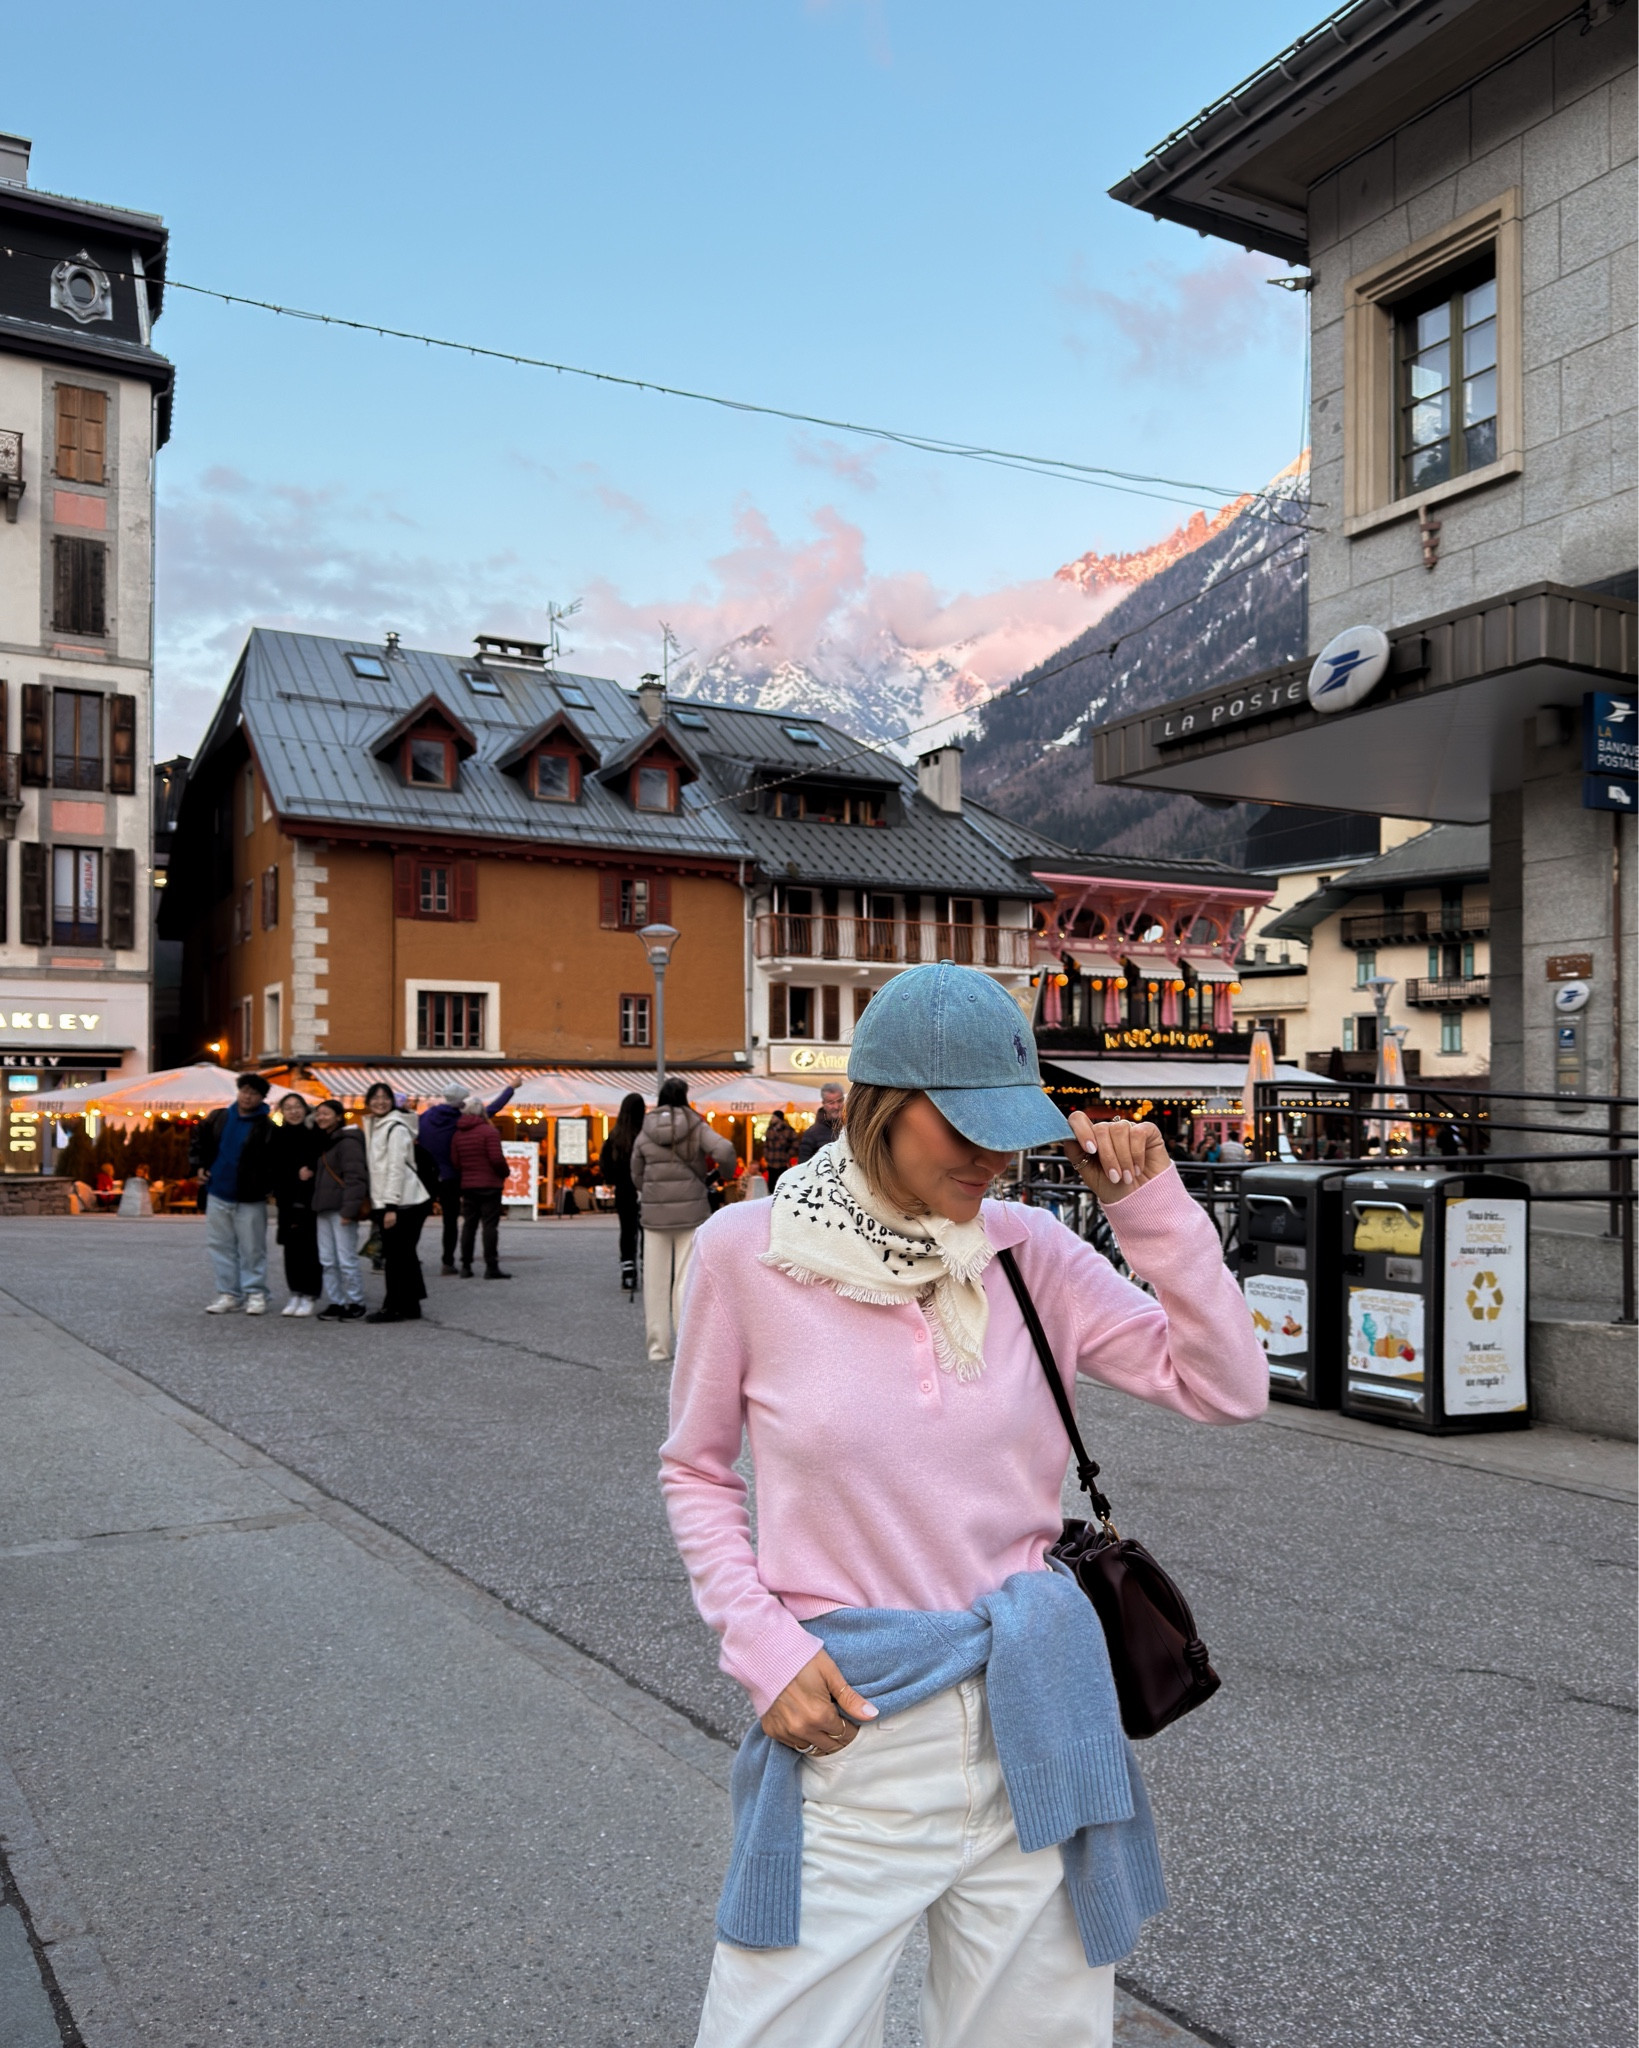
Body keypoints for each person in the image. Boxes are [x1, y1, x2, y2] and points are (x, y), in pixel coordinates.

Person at [659, 962, 1268, 2048]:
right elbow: (697, 1469)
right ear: (880, 1106)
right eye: (964, 1126)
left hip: (1041, 1705)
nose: (993, 1159)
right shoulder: (746, 1252)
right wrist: (762, 1647)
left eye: (1010, 1130)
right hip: (855, 1715)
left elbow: (1227, 1387)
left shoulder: (1031, 1251)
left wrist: (1152, 1212)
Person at [631, 1077, 735, 1363]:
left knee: (654, 1283)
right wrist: (725, 1174)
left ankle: (657, 1348)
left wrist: (648, 1190)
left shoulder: (647, 1126)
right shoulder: (695, 1124)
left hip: (654, 1215)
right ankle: (686, 1347)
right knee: (685, 1281)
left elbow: (636, 1170)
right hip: (691, 1212)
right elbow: (725, 1150)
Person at [191, 1073, 276, 1315]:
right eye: (244, 1091)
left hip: (250, 1196)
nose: (247, 1097)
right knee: (220, 1245)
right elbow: (198, 1141)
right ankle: (228, 1293)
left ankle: (256, 1293)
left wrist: (266, 1188)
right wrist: (199, 1166)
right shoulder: (219, 1117)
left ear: (261, 1098)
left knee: (253, 1248)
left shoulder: (267, 1128)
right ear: (238, 1091)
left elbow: (274, 1162)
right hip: (218, 1191)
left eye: (253, 1093)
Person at [419, 1080, 517, 1277]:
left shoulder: (426, 1116)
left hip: (427, 1174)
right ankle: (448, 1262)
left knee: (417, 1218)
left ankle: (408, 1256)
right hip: (452, 1178)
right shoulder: (461, 1120)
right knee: (452, 1221)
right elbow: (493, 1109)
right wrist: (511, 1088)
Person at [361, 1081, 434, 1322]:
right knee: (405, 1255)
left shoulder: (395, 1127)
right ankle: (411, 1306)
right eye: (375, 1097)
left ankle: (393, 1307)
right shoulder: (377, 1125)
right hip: (400, 1200)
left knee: (395, 1257)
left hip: (403, 1202)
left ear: (392, 1101)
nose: (380, 1102)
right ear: (367, 1101)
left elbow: (395, 1169)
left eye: (385, 1097)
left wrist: (390, 1207)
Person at [310, 1099, 370, 1320]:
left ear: (338, 1116)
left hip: (341, 1209)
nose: (321, 1118)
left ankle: (356, 1301)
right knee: (327, 1259)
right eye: (318, 1114)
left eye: (326, 1113)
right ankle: (336, 1301)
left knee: (346, 1259)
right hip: (323, 1207)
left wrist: (349, 1210)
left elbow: (356, 1177)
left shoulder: (348, 1142)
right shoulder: (326, 1141)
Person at [269, 1093, 325, 1316]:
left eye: (297, 1106)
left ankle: (310, 1293)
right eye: (288, 1108)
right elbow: (272, 1166)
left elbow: (322, 1161)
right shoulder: (277, 1134)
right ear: (282, 1112)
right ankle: (295, 1292)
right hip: (286, 1199)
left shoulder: (315, 1133)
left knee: (309, 1247)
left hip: (310, 1200)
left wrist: (310, 1169)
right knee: (290, 1248)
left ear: (305, 1108)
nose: (293, 1111)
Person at [451, 1093, 511, 1278]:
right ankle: (491, 1266)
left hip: (468, 1185)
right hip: (490, 1184)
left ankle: (466, 1266)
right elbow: (496, 1159)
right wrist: (505, 1173)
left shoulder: (458, 1134)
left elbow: (456, 1162)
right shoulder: (489, 1132)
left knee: (469, 1225)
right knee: (489, 1226)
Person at [598, 1092, 646, 1294]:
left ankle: (628, 1272)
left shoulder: (615, 1137)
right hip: (645, 1189)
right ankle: (647, 1268)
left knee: (627, 1231)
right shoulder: (646, 1136)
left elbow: (606, 1168)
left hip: (624, 1190)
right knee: (646, 1231)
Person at [794, 1082, 845, 1163]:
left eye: (839, 1101)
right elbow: (803, 1165)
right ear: (824, 1104)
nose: (836, 1106)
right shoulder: (811, 1133)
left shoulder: (851, 1128)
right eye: (831, 1102)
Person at [760, 1109, 797, 1191]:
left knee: (782, 1185)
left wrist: (788, 1155)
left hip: (783, 1162)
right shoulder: (769, 1129)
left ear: (779, 1118)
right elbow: (766, 1144)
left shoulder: (789, 1130)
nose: (772, 1119)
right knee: (771, 1186)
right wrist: (766, 1156)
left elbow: (795, 1144)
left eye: (774, 1117)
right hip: (771, 1162)